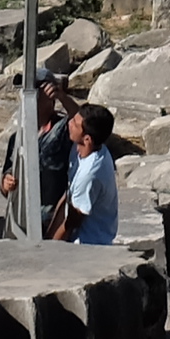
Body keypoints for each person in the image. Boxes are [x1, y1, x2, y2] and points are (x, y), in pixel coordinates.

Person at [50, 102, 120, 247]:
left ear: (87, 139)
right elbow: (67, 197)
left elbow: (72, 221)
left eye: (75, 124)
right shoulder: (84, 149)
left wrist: (49, 248)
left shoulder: (89, 175)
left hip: (88, 245)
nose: (69, 123)